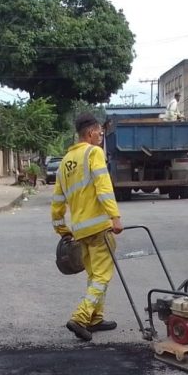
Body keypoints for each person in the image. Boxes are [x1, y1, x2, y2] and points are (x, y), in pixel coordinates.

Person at [51, 112, 124, 342]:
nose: (101, 136)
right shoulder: (94, 153)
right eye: (100, 132)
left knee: (94, 275)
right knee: (102, 275)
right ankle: (81, 317)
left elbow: (57, 202)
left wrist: (62, 229)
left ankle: (95, 318)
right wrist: (115, 216)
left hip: (81, 231)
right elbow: (104, 187)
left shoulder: (65, 162)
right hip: (100, 228)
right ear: (91, 133)